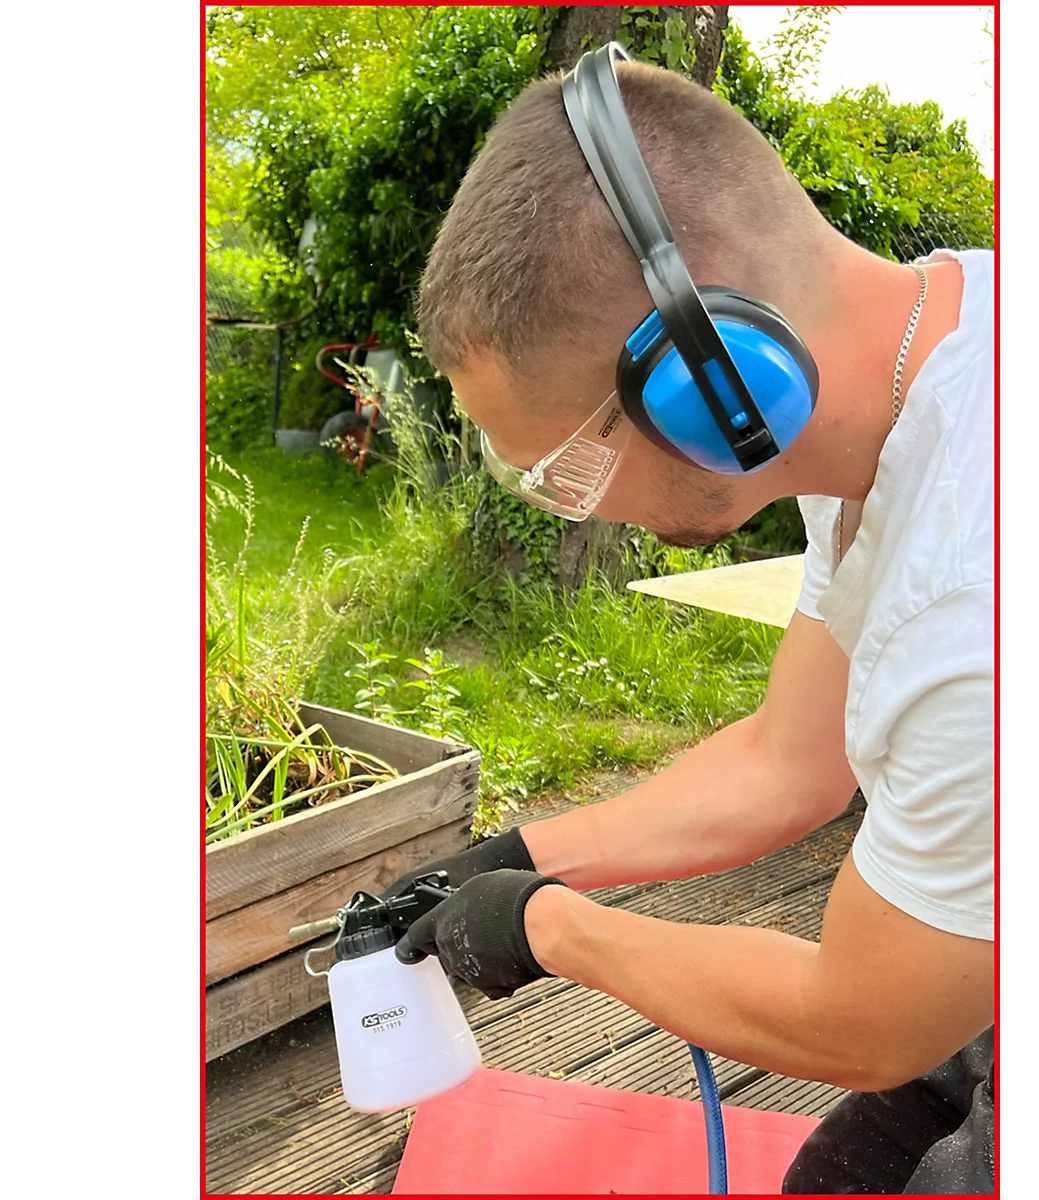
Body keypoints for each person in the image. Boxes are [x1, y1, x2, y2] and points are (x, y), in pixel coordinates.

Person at [384, 45, 994, 1195]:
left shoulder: (978, 599)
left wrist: (551, 931)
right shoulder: (911, 376)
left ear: (709, 379)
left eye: (560, 470)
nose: (571, 505)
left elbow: (864, 1024)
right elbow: (787, 761)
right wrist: (520, 858)